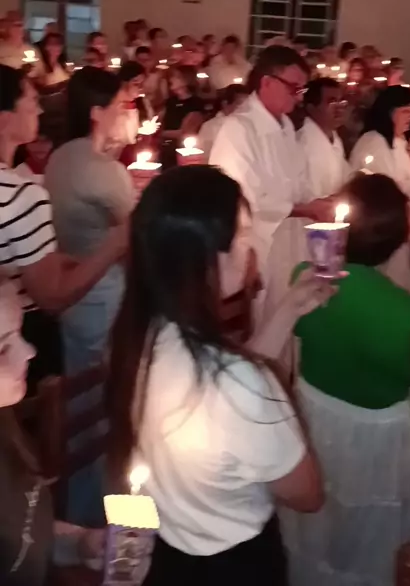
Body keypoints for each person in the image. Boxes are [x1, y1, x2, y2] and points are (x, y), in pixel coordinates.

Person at [108, 166, 326, 586]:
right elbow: (308, 495)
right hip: (233, 565)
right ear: (207, 258)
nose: (250, 246)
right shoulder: (241, 385)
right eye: (241, 234)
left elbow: (222, 392)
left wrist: (289, 309)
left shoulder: (142, 333)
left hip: (169, 552)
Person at [286, 173, 410, 586]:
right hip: (377, 431)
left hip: (314, 410)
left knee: (317, 514)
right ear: (398, 238)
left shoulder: (305, 275)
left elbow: (299, 330)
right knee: (369, 532)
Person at [0, 65, 127, 387]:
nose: (40, 110)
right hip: (17, 335)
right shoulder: (19, 195)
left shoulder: (57, 158)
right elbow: (52, 296)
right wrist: (116, 243)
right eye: (32, 102)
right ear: (4, 119)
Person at [210, 46, 332, 325]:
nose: (299, 97)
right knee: (263, 322)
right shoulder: (238, 128)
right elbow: (242, 197)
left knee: (289, 317)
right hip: (257, 247)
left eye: (302, 89)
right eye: (294, 88)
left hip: (290, 242)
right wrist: (303, 209)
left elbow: (299, 180)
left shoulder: (286, 125)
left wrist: (321, 202)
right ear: (266, 82)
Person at [0, 279, 108, 585]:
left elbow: (21, 530)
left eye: (19, 334)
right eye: (3, 348)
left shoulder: (5, 418)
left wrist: (79, 543)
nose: (30, 351)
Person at [45, 67, 135, 375]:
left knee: (78, 376)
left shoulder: (59, 156)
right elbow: (132, 235)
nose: (124, 114)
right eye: (119, 106)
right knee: (106, 378)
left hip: (69, 283)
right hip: (103, 289)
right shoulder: (103, 170)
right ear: (97, 112)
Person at [350, 85, 410, 201]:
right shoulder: (374, 142)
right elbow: (384, 189)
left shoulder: (398, 141)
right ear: (389, 112)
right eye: (406, 111)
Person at [298, 78, 350, 199]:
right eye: (332, 103)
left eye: (341, 102)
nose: (339, 109)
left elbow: (345, 176)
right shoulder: (301, 144)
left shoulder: (335, 138)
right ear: (311, 108)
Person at [198, 83, 248, 159]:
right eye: (239, 104)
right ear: (225, 104)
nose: (245, 108)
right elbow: (204, 156)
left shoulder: (251, 124)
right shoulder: (210, 127)